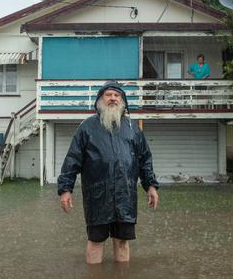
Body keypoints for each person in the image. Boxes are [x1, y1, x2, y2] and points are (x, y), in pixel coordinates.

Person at [58, 80, 159, 264]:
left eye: (116, 95)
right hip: (98, 196)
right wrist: (65, 189)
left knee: (122, 242)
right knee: (96, 241)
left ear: (122, 100)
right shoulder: (86, 128)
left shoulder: (133, 128)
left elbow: (145, 159)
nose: (113, 98)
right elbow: (72, 160)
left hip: (125, 196)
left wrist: (150, 185)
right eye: (108, 95)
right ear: (100, 100)